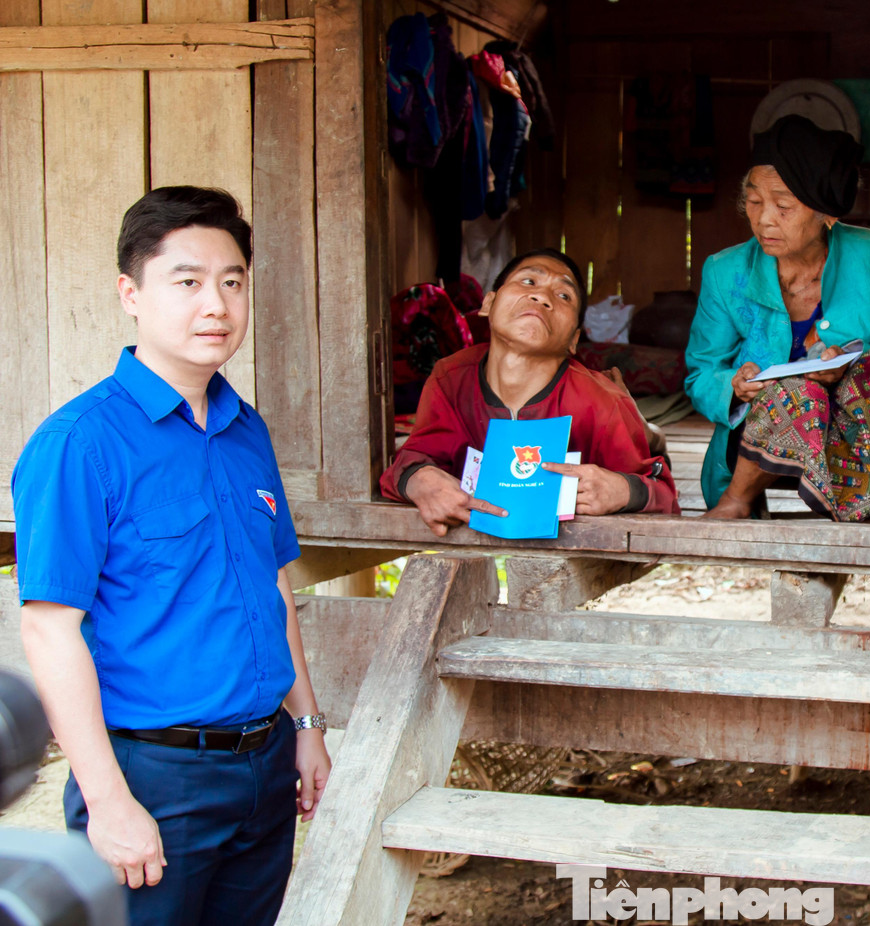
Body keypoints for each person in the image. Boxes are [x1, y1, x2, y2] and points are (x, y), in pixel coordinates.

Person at [13, 187, 331, 926]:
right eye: (186, 282)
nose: (214, 305)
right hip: (156, 777)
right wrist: (109, 800)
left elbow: (273, 586)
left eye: (232, 281)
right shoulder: (79, 444)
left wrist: (307, 728)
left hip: (264, 765)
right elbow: (49, 629)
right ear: (131, 293)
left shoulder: (245, 430)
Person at [685, 114, 870, 521]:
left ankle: (860, 495)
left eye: (782, 206)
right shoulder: (724, 272)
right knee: (798, 392)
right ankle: (737, 499)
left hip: (847, 437)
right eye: (754, 200)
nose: (763, 220)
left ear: (826, 214)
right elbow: (700, 372)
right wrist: (733, 385)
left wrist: (845, 364)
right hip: (759, 437)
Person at [380, 247, 680, 532]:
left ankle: (651, 431)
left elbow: (664, 494)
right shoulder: (451, 377)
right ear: (487, 304)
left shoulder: (600, 402)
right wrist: (419, 480)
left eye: (564, 295)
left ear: (574, 340)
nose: (542, 296)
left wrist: (625, 490)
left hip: (621, 421)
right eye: (528, 281)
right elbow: (414, 456)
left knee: (647, 437)